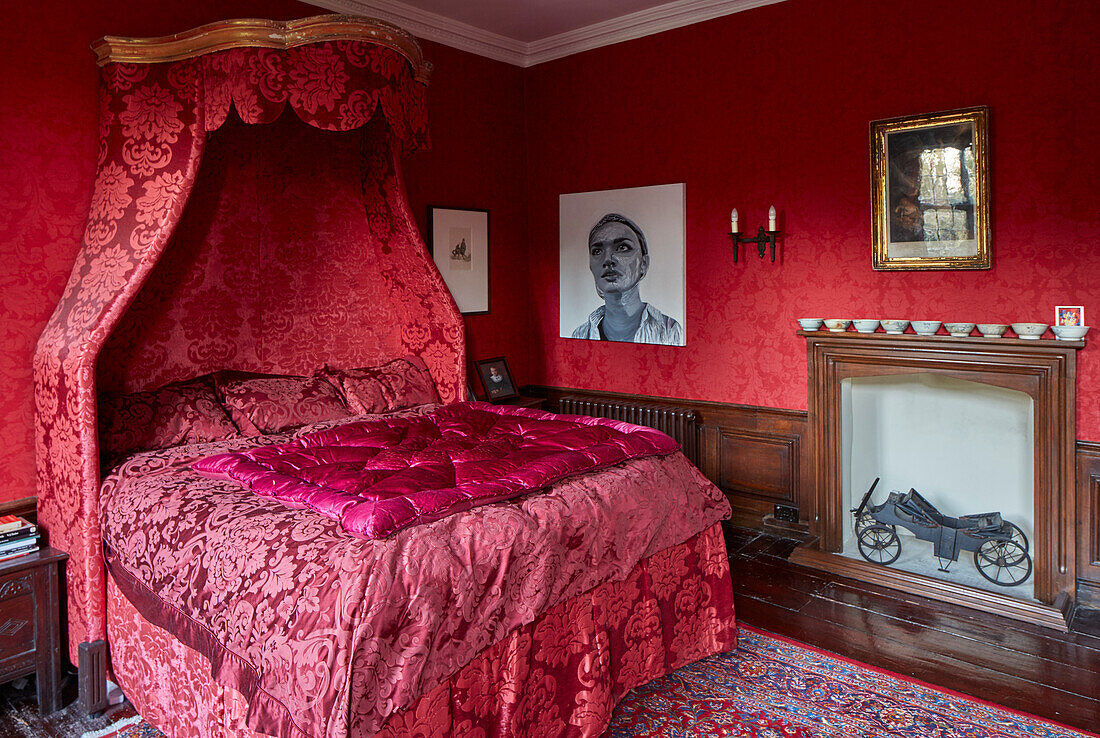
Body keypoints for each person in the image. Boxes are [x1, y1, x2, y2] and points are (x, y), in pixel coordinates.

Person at [571, 213, 683, 345]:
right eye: (597, 251)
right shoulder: (581, 335)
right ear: (590, 266)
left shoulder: (670, 331)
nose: (607, 259)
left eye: (622, 247)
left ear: (644, 263)